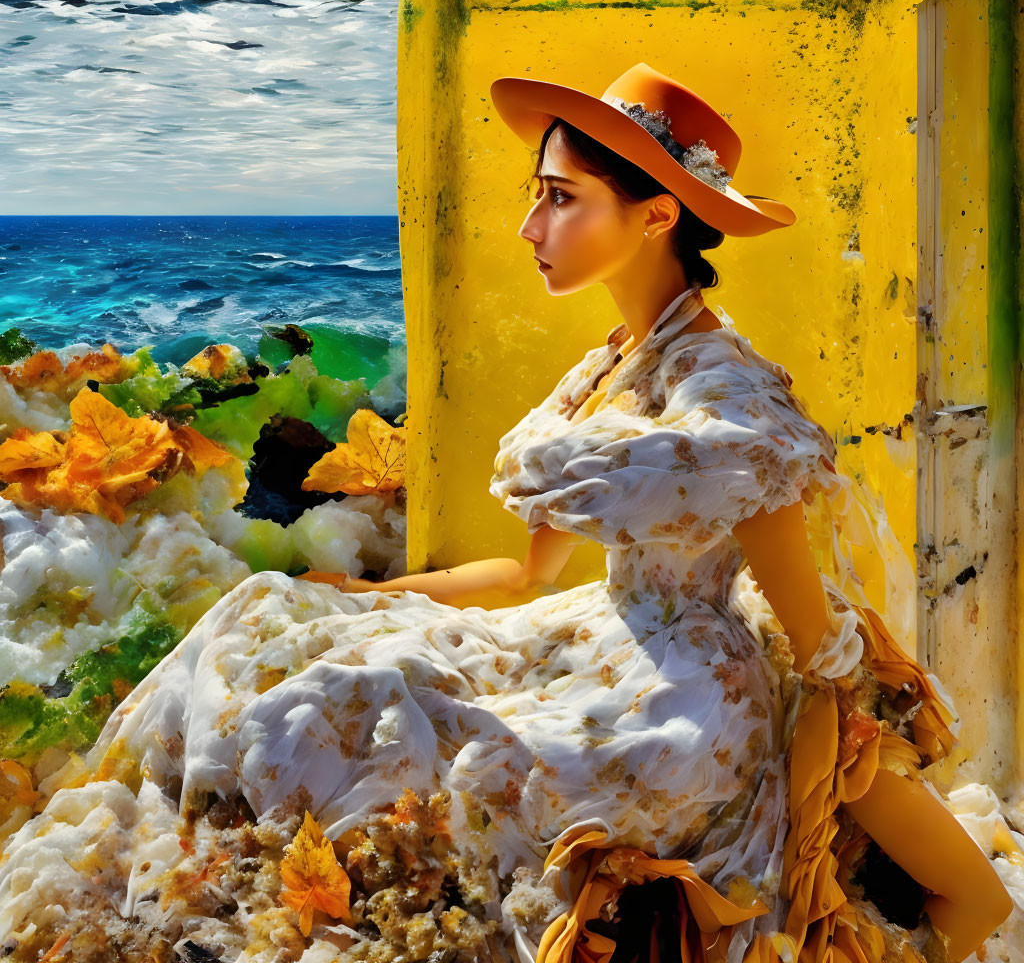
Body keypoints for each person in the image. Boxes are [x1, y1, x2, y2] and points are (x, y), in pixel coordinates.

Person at [0, 64, 1010, 963]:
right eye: (536, 196)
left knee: (444, 756)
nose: (532, 228)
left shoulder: (728, 398)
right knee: (313, 644)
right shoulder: (604, 373)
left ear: (657, 215)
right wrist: (368, 590)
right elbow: (529, 573)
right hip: (602, 636)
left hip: (696, 699)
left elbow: (809, 638)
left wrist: (860, 718)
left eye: (561, 200)